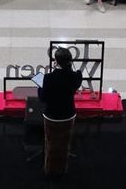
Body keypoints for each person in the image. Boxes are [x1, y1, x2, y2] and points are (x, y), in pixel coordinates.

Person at [38, 47, 83, 176]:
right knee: (65, 143)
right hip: (68, 115)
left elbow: (42, 97)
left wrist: (40, 86)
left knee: (50, 142)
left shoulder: (47, 78)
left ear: (56, 62)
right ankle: (63, 169)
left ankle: (49, 169)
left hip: (51, 116)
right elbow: (76, 78)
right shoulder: (76, 77)